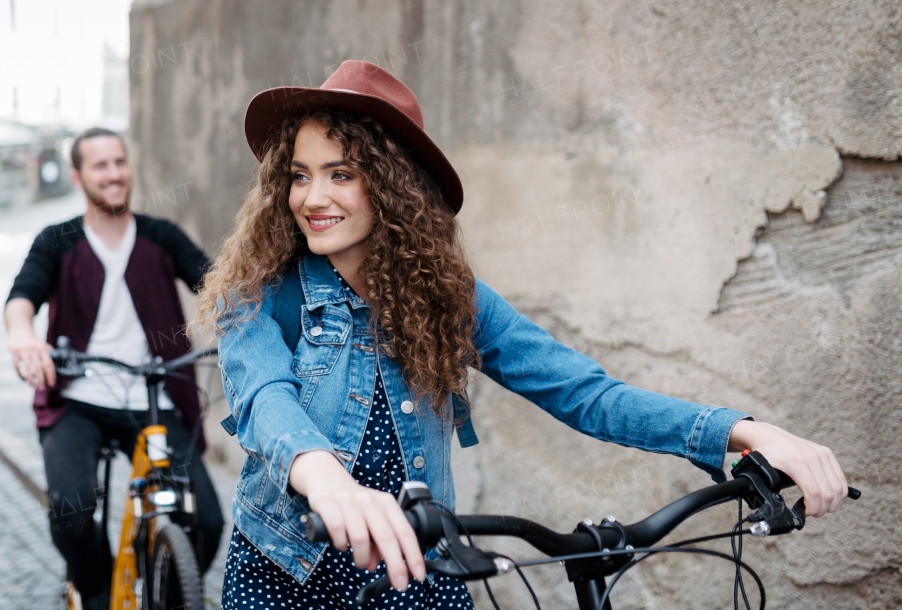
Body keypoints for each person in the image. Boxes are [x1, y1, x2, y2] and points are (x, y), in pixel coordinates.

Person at [196, 60, 849, 609]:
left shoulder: (450, 300)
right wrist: (330, 482)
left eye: (341, 173)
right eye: (300, 174)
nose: (311, 196)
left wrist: (744, 431)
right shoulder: (258, 290)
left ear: (393, 185)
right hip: (286, 570)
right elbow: (264, 399)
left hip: (415, 574)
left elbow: (586, 394)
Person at [4, 127, 224, 610]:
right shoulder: (57, 240)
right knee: (73, 511)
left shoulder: (160, 236)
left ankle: (167, 588)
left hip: (154, 397)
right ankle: (98, 592)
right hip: (79, 398)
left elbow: (213, 285)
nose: (115, 174)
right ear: (78, 176)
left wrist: (241, 318)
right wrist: (22, 334)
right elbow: (23, 298)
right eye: (101, 165)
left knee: (206, 520)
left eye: (120, 162)